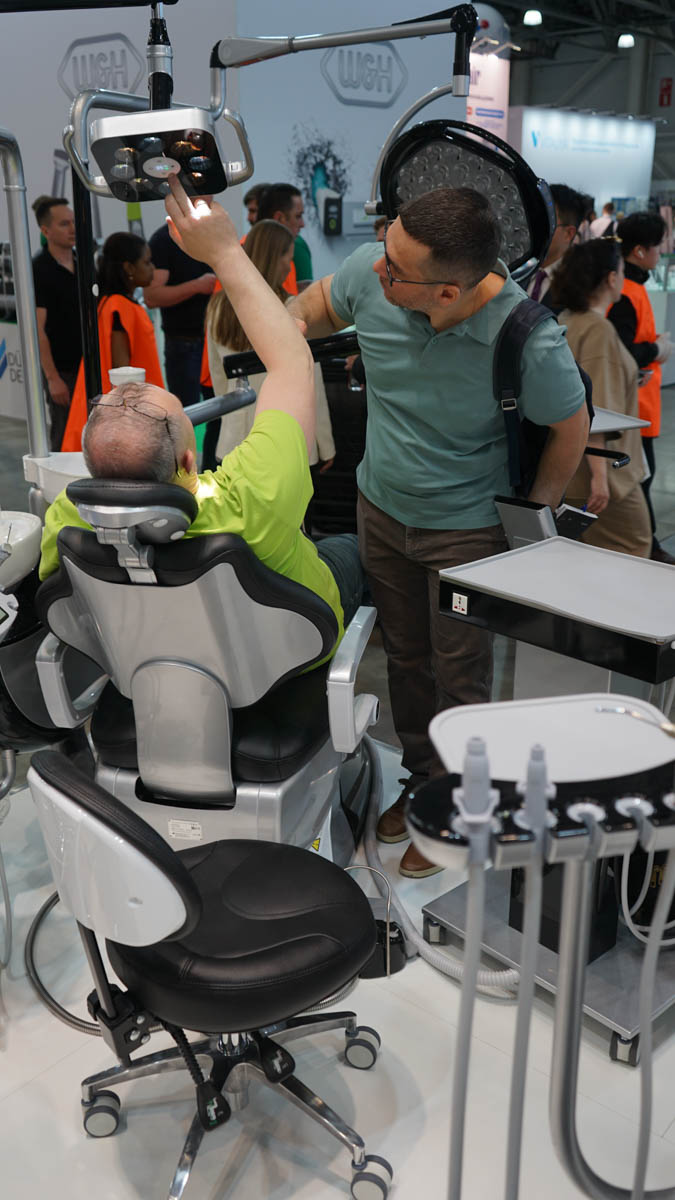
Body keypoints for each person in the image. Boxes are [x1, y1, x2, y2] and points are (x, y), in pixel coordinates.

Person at [287, 187, 589, 877]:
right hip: (380, 509)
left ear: (447, 292)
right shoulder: (373, 276)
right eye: (384, 249)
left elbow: (570, 427)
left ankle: (458, 802)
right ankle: (423, 779)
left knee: (461, 674)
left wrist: (531, 526)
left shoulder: (527, 337)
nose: (377, 269)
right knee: (405, 659)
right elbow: (314, 305)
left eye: (396, 269)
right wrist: (286, 330)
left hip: (466, 532)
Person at [40, 177, 364, 657]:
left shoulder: (67, 520)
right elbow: (290, 361)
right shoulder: (252, 496)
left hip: (150, 657)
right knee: (351, 550)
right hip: (281, 660)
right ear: (190, 461)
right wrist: (225, 252)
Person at [206, 218, 335, 486]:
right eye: (288, 257)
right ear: (276, 258)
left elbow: (218, 375)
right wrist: (324, 443)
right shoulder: (291, 310)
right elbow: (311, 381)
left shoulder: (218, 306)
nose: (290, 265)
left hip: (234, 437)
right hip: (282, 440)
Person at [550, 239, 651, 557]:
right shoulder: (598, 330)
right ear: (611, 277)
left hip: (567, 466)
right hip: (604, 475)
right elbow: (598, 413)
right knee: (633, 548)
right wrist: (600, 477)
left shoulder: (567, 320)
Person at [607, 211, 675, 564]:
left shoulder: (632, 288)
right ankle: (646, 546)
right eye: (657, 247)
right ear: (638, 250)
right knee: (639, 478)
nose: (661, 253)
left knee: (641, 475)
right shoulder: (626, 294)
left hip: (641, 405)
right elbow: (624, 351)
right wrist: (656, 349)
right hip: (633, 409)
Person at [61, 232, 164, 451]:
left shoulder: (111, 303)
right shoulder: (119, 308)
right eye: (147, 262)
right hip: (127, 421)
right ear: (129, 268)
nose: (152, 268)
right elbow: (122, 376)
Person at [143, 219, 216, 408]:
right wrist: (197, 286)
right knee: (185, 413)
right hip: (184, 343)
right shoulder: (163, 240)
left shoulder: (211, 233)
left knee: (220, 411)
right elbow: (151, 297)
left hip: (213, 342)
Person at [31, 195, 82, 450]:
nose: (72, 228)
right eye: (64, 224)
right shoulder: (39, 270)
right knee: (64, 437)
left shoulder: (84, 262)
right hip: (63, 370)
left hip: (88, 365)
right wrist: (52, 377)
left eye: (73, 222)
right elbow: (37, 329)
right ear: (46, 231)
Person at [526, 183, 587, 309]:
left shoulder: (579, 285)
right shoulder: (520, 270)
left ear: (568, 234)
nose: (534, 230)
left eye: (545, 224)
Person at [257, 182, 307, 295]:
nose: (302, 224)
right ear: (279, 218)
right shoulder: (241, 257)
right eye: (298, 216)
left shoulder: (287, 255)